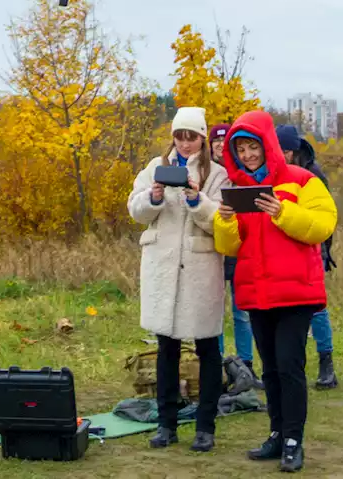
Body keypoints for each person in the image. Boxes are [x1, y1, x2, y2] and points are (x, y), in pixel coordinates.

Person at [213, 110, 337, 472]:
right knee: (269, 370)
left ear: (267, 145)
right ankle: (277, 434)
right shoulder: (240, 192)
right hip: (256, 293)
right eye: (241, 150)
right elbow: (231, 247)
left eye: (253, 147)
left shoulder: (303, 181)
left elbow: (322, 227)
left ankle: (294, 441)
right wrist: (223, 221)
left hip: (297, 293)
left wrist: (283, 212)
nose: (248, 156)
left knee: (290, 367)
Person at [127, 106, 227, 452]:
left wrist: (197, 199)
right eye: (180, 136)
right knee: (165, 347)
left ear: (202, 137)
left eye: (192, 136)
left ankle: (205, 426)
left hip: (201, 268)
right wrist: (153, 197)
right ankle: (166, 424)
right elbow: (136, 210)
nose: (185, 143)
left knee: (207, 346)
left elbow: (220, 222)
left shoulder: (217, 174)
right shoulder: (156, 167)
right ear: (173, 136)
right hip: (162, 267)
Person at [276, 124, 339, 390]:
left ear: (293, 151)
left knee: (317, 309)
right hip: (285, 251)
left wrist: (325, 251)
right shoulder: (275, 174)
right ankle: (293, 365)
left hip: (313, 249)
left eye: (285, 150)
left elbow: (325, 216)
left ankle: (327, 362)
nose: (281, 154)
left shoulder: (313, 175)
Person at [211, 123, 256, 375]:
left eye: (223, 143)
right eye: (215, 143)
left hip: (240, 251)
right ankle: (215, 365)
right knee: (215, 313)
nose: (219, 147)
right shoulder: (205, 173)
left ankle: (246, 365)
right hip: (214, 250)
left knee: (242, 313)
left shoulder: (243, 173)